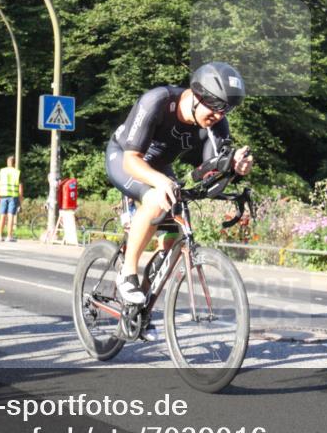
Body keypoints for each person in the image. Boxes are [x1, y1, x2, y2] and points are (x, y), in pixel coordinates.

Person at [105, 62, 254, 306]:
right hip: (126, 157)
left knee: (176, 227)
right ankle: (127, 272)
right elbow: (132, 160)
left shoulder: (216, 124)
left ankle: (140, 307)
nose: (219, 115)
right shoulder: (158, 101)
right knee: (155, 199)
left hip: (161, 167)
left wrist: (235, 167)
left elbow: (213, 168)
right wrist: (159, 180)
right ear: (197, 95)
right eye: (216, 107)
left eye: (226, 110)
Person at [0, 155, 23, 242]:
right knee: (11, 216)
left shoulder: (2, 171)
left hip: (3, 195)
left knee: (2, 216)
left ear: (7, 163)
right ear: (14, 163)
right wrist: (20, 200)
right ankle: (9, 236)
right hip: (13, 196)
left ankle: (0, 236)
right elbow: (20, 188)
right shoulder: (17, 172)